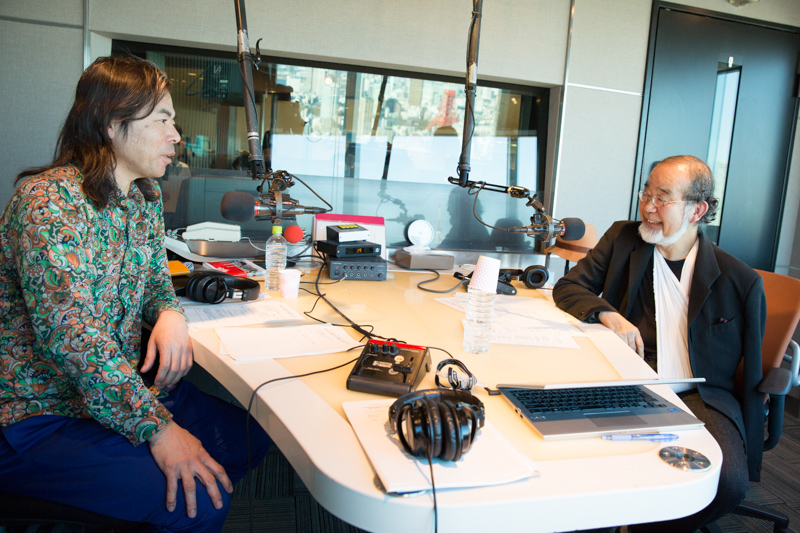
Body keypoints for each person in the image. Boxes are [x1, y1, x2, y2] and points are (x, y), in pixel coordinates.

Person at [0, 55, 270, 532]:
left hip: (114, 394)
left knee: (250, 440)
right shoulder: (48, 202)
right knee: (198, 503)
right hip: (38, 414)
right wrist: (159, 429)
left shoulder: (141, 198)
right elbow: (71, 336)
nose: (176, 135)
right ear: (111, 123)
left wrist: (169, 314)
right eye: (162, 119)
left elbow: (154, 281)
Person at [553, 155, 765, 533]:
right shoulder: (623, 239)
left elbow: (751, 374)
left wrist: (749, 446)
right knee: (587, 466)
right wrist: (608, 314)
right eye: (646, 194)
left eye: (662, 198)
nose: (648, 207)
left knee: (729, 483)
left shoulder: (740, 280)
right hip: (627, 380)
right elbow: (569, 287)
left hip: (700, 393)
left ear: (697, 210)